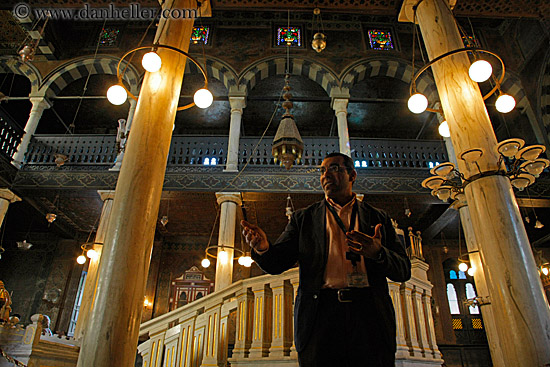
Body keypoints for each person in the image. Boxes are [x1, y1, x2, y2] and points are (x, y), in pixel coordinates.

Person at [241, 152, 411, 367]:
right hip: (320, 314)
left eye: (335, 168)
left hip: (369, 314)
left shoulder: (378, 218)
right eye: (322, 171)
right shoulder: (304, 219)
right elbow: (278, 263)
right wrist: (263, 248)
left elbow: (404, 270)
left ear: (353, 175)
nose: (326, 175)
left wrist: (378, 253)